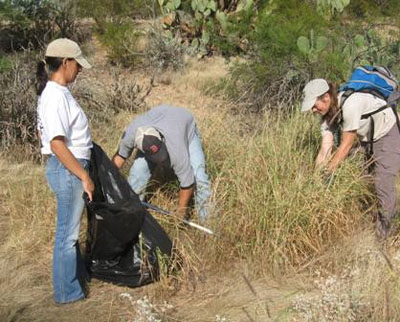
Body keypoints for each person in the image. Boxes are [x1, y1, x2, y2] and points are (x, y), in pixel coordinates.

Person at [302, 78, 400, 239]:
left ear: (326, 97)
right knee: (366, 180)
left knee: (383, 183)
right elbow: (324, 150)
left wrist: (328, 174)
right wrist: (316, 181)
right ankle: (373, 220)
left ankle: (386, 237)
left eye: (314, 105)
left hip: (387, 132)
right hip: (367, 138)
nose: (313, 110)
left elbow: (346, 145)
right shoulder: (327, 118)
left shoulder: (351, 104)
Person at [36, 38, 94, 304]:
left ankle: (72, 284)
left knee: (68, 233)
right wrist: (83, 176)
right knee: (67, 235)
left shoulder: (57, 93)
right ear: (65, 62)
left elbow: (44, 133)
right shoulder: (54, 96)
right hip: (69, 170)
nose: (79, 70)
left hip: (68, 168)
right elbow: (57, 144)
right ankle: (66, 293)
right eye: (77, 65)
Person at [112, 105, 211, 221]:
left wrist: (180, 211)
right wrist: (107, 181)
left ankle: (206, 221)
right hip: (161, 121)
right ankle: (132, 213)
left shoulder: (176, 147)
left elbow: (188, 183)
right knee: (138, 172)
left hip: (185, 124)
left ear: (161, 139)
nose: (160, 160)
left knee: (200, 178)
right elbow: (119, 158)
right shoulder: (130, 136)